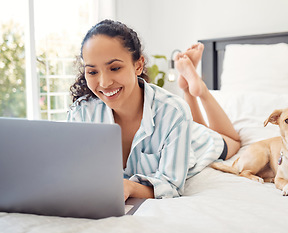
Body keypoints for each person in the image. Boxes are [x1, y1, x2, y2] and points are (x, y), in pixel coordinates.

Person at [68, 19, 240, 201]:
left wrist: (131, 187)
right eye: (93, 72)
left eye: (115, 68)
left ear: (138, 65)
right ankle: (188, 87)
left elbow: (171, 186)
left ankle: (199, 90)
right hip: (180, 128)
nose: (104, 82)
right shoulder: (81, 113)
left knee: (234, 141)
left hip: (194, 141)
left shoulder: (173, 112)